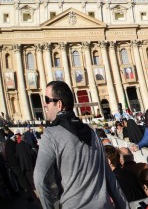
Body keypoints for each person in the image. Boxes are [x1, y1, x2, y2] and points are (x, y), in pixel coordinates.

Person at [33, 80, 128, 208]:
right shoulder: (92, 132)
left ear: (59, 104)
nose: (44, 105)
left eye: (47, 100)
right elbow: (110, 178)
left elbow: (40, 178)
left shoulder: (51, 135)